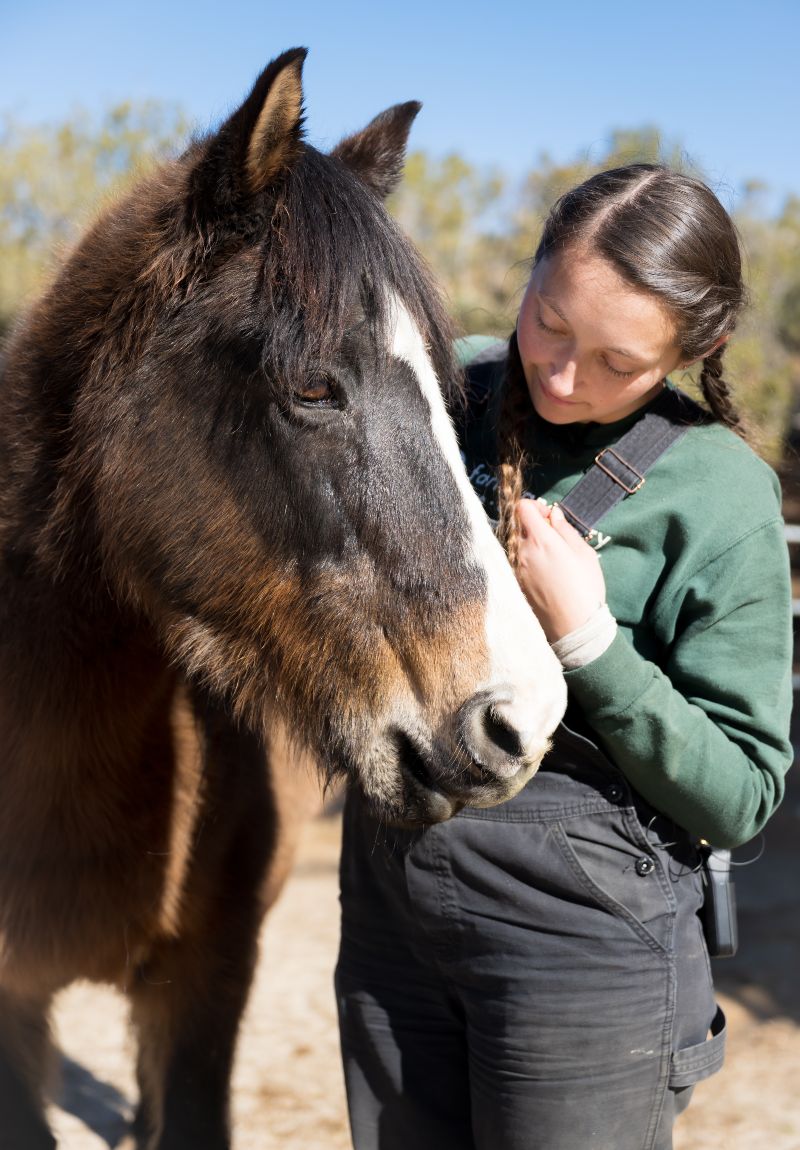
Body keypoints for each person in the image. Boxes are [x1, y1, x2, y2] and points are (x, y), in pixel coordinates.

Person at [335, 164, 794, 1150]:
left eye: (614, 361)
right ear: (533, 268)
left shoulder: (719, 494)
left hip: (584, 938)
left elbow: (743, 793)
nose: (558, 374)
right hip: (387, 906)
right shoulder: (432, 388)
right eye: (547, 319)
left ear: (695, 350)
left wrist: (592, 642)